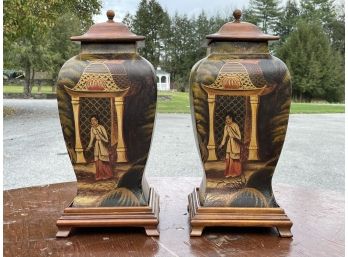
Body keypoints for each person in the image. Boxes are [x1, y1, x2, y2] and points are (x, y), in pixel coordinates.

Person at [86, 115, 113, 180]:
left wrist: (98, 132)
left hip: (102, 145)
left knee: (103, 160)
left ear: (97, 121)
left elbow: (106, 140)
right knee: (97, 161)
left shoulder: (101, 127)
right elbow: (92, 139)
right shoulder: (92, 128)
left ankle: (107, 175)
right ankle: (99, 176)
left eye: (94, 120)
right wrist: (89, 146)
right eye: (91, 120)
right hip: (97, 145)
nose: (93, 122)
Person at [218, 113, 242, 177]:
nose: (227, 120)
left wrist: (233, 135)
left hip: (235, 143)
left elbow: (239, 137)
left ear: (231, 118)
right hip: (229, 143)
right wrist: (222, 144)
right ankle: (229, 173)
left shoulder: (235, 125)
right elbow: (225, 136)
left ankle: (236, 173)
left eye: (228, 118)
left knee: (234, 158)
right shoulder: (226, 126)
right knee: (229, 158)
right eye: (226, 119)